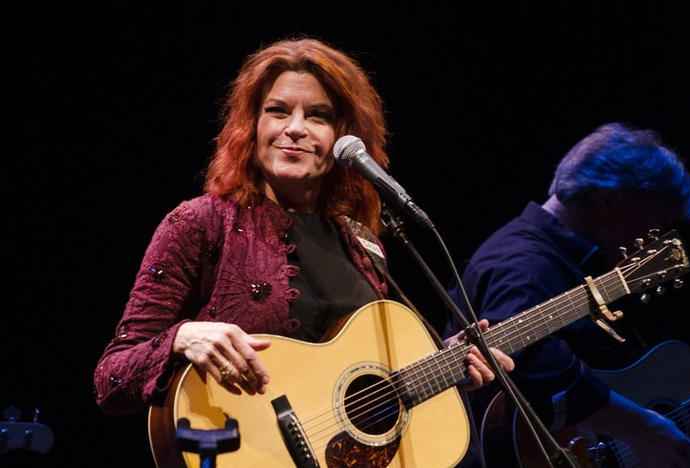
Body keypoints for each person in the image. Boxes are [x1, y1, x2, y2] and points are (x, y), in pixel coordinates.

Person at [93, 36, 513, 464]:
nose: (295, 128)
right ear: (251, 125)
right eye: (278, 110)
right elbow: (111, 378)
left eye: (318, 116)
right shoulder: (202, 222)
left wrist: (442, 366)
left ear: (344, 137)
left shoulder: (360, 237)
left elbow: (356, 390)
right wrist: (182, 337)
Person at [447, 122, 690, 467]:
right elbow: (525, 353)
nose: (654, 242)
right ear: (609, 202)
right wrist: (640, 427)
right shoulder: (525, 263)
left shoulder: (564, 259)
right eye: (655, 224)